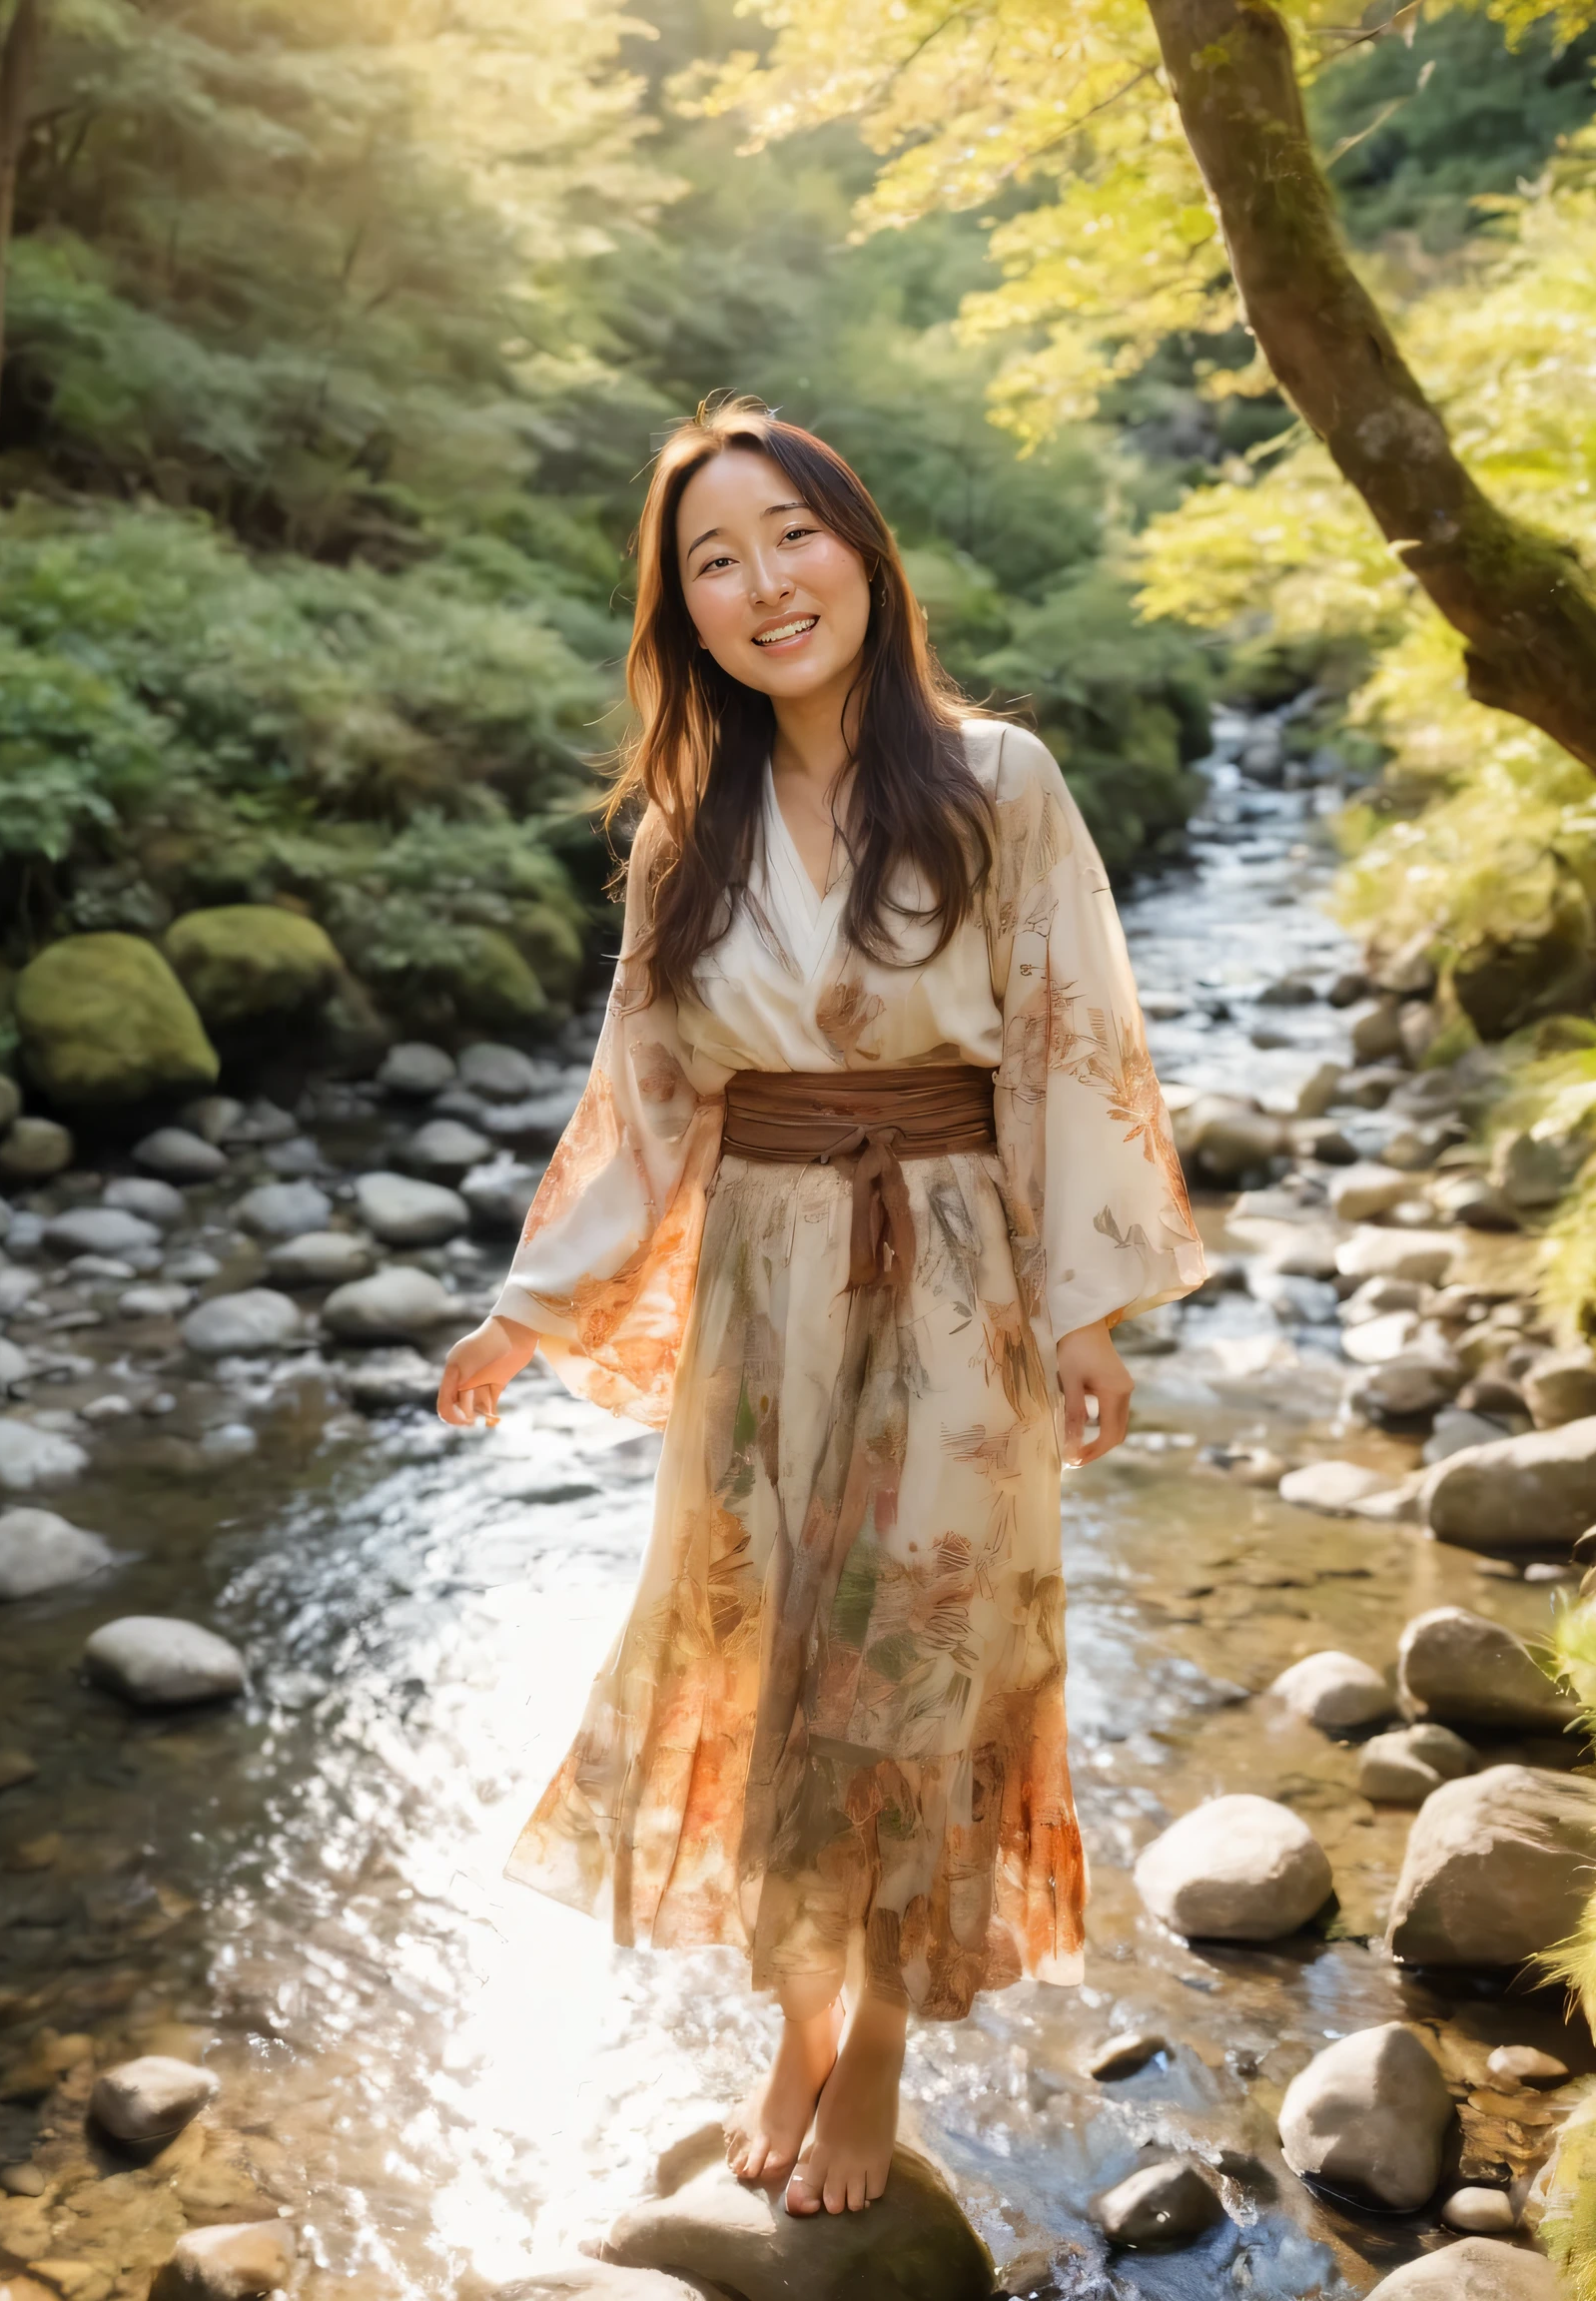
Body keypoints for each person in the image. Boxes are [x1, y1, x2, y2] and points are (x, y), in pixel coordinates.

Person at [436, 396, 1204, 2218]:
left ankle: (876, 2050)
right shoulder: (681, 832)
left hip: (952, 1275)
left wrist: (1084, 1308)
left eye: (791, 535)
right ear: (683, 612)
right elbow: (644, 1094)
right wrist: (527, 1311)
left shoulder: (996, 781)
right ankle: (794, 2020)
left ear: (860, 550)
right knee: (771, 1666)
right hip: (763, 1294)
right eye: (714, 559)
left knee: (918, 1668)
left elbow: (1070, 1037)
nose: (762, 581)